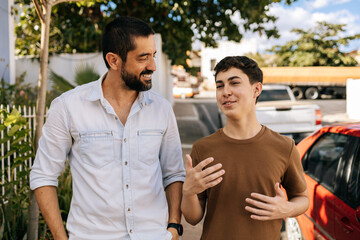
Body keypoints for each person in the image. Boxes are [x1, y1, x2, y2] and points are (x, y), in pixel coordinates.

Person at [30, 16, 185, 240]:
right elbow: (43, 176)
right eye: (143, 58)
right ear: (113, 60)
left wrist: (174, 227)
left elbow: (174, 173)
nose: (152, 66)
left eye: (153, 56)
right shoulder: (68, 107)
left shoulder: (162, 109)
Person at [181, 56, 309, 240]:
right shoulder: (203, 148)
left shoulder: (284, 147)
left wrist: (287, 209)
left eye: (234, 83)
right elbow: (193, 218)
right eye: (219, 85)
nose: (225, 92)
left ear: (256, 89)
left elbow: (302, 198)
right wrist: (188, 191)